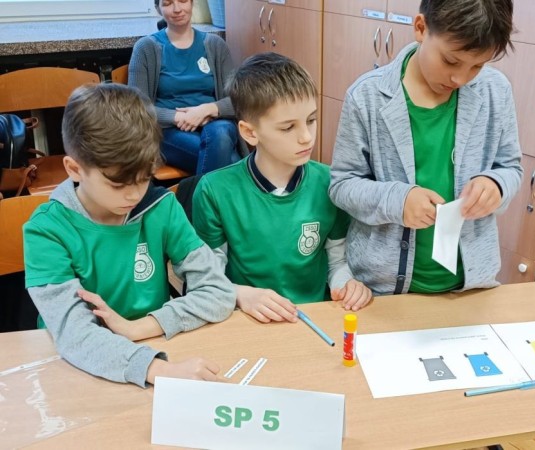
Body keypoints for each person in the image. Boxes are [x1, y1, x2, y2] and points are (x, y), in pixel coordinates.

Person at [23, 83, 236, 388]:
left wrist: (138, 328)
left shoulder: (160, 207)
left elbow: (218, 291)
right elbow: (74, 333)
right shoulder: (46, 230)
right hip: (79, 367)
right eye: (118, 184)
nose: (134, 194)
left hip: (155, 347)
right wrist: (155, 368)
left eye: (144, 178)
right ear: (74, 168)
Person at [329, 0, 523, 295]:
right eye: (450, 61)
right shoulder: (367, 96)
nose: (460, 79)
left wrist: (496, 185)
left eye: (477, 66)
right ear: (421, 28)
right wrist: (398, 200)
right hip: (381, 290)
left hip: (469, 287)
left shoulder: (496, 90)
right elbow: (342, 185)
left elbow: (510, 167)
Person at [192, 52, 372, 324]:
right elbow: (207, 279)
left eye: (311, 120)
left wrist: (347, 284)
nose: (306, 137)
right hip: (248, 322)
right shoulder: (214, 191)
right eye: (288, 128)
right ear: (250, 132)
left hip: (314, 320)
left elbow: (337, 263)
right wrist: (240, 294)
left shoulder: (331, 183)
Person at [129, 0, 241, 175]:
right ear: (158, 9)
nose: (177, 9)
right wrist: (178, 117)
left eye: (182, 1)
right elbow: (136, 107)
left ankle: (197, 193)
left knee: (220, 135)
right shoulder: (146, 48)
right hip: (168, 130)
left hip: (215, 123)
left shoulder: (215, 45)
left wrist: (207, 110)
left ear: (192, 3)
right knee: (232, 161)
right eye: (168, 3)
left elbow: (238, 101)